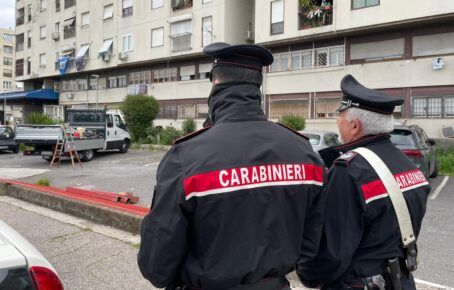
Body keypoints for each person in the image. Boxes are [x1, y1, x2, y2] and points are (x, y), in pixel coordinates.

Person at [138, 42, 326, 290]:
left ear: (216, 84)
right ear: (257, 86)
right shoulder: (304, 153)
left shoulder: (186, 157)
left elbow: (157, 267)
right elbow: (311, 245)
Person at [296, 74, 430, 290]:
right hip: (402, 281)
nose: (337, 122)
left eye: (339, 117)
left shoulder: (350, 171)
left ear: (355, 126)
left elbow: (331, 253)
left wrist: (307, 272)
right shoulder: (406, 164)